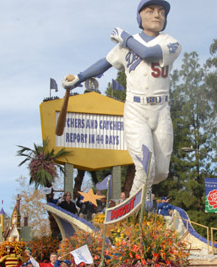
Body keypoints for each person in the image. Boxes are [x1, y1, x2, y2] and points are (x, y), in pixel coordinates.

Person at [62, 0, 181, 201]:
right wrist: (79, 78)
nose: (157, 14)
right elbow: (105, 63)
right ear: (139, 17)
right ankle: (134, 204)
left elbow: (148, 53)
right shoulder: (126, 45)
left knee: (160, 172)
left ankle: (140, 196)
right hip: (136, 110)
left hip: (161, 110)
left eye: (161, 11)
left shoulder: (171, 43)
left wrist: (124, 37)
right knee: (146, 165)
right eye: (150, 10)